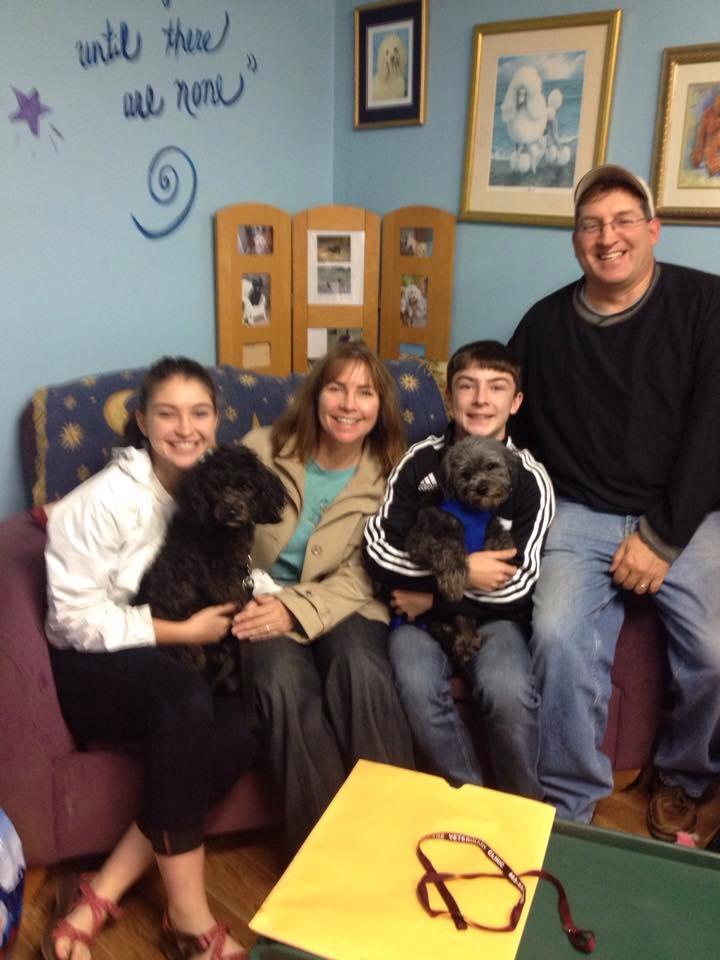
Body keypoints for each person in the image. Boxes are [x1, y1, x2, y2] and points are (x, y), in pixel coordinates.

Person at [508, 163, 720, 839]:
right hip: (580, 511)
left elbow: (713, 432)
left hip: (685, 509)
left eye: (624, 220)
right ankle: (569, 801)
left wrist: (661, 537)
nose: (608, 237)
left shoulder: (706, 305)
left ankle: (687, 775)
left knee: (716, 649)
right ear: (575, 241)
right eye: (592, 226)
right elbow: (507, 431)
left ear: (653, 229)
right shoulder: (542, 325)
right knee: (557, 636)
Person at [43, 357, 255, 960]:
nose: (185, 429)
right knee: (185, 702)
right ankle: (189, 919)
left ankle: (101, 891)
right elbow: (72, 622)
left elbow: (230, 568)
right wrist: (181, 630)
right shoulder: (101, 501)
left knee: (240, 728)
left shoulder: (209, 492)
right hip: (92, 661)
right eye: (168, 414)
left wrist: (274, 601)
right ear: (142, 421)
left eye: (199, 413)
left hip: (168, 656)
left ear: (216, 419)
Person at [231, 340, 414, 854]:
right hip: (261, 601)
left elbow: (370, 569)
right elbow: (224, 536)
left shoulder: (395, 472)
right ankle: (328, 857)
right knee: (281, 683)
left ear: (381, 406)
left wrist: (298, 609)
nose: (349, 404)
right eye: (336, 389)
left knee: (361, 668)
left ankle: (398, 837)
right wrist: (258, 599)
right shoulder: (261, 449)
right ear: (315, 395)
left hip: (348, 601)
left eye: (365, 392)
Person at [364, 340, 554, 799]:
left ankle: (523, 810)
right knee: (413, 683)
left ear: (516, 401)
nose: (481, 399)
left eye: (496, 387)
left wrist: (432, 595)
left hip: (494, 620)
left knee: (508, 692)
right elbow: (378, 548)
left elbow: (517, 585)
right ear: (449, 399)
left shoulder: (530, 478)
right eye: (467, 386)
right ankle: (470, 802)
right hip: (420, 624)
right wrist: (463, 573)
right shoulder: (418, 462)